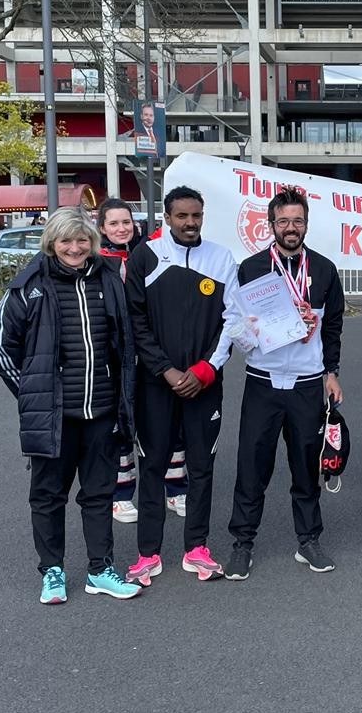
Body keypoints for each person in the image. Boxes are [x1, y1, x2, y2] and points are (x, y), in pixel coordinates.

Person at [0, 207, 141, 603]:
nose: (74, 248)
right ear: (51, 243)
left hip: (102, 412)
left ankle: (100, 570)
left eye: (82, 239)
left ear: (92, 241)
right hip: (55, 417)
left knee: (100, 494)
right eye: (66, 240)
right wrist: (31, 392)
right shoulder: (29, 285)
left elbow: (124, 343)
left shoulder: (109, 278)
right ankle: (52, 571)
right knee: (48, 496)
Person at [224, 187, 344, 578]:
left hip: (307, 384)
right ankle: (242, 544)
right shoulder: (252, 268)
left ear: (305, 224)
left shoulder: (324, 270)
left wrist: (331, 372)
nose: (290, 228)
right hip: (263, 381)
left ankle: (308, 541)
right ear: (271, 224)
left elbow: (333, 327)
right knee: (251, 466)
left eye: (297, 221)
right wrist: (252, 330)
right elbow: (235, 325)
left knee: (306, 467)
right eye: (283, 221)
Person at [124, 186, 238, 584]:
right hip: (157, 384)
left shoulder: (222, 258)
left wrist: (207, 368)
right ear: (167, 218)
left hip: (204, 384)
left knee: (201, 466)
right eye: (182, 216)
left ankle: (197, 549)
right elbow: (135, 321)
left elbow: (233, 320)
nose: (190, 223)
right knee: (153, 465)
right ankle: (147, 554)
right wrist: (165, 370)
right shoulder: (145, 256)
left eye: (196, 216)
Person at [95, 198, 189, 524]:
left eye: (126, 222)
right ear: (102, 227)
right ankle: (120, 496)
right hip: (116, 357)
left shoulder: (151, 253)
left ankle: (176, 488)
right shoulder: (97, 262)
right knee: (121, 426)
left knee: (169, 423)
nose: (121, 228)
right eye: (113, 223)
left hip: (152, 353)